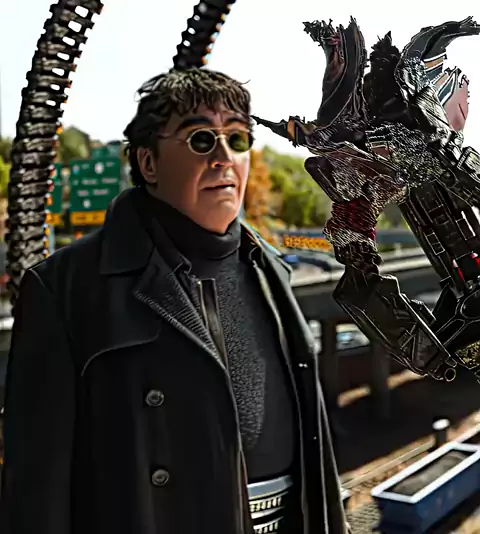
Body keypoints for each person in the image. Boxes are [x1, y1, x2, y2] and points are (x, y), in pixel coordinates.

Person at [0, 68, 348, 534]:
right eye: (201, 140)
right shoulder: (64, 290)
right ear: (148, 163)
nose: (224, 157)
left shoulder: (270, 269)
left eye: (238, 139)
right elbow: (36, 495)